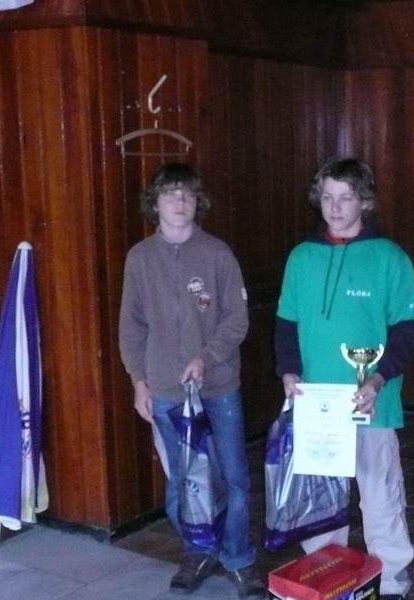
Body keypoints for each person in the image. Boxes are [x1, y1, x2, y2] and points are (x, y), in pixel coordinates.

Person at [275, 157, 414, 600]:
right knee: (321, 502)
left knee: (381, 497)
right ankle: (326, 577)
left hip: (371, 402)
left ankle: (391, 581)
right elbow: (285, 323)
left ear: (364, 202)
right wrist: (288, 370)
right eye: (327, 197)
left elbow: (407, 330)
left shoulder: (391, 258)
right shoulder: (301, 257)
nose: (335, 208)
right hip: (317, 405)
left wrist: (378, 380)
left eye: (345, 198)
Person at [119, 163, 265, 599]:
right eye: (170, 194)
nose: (179, 201)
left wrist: (207, 357)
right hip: (165, 391)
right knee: (183, 481)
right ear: (155, 203)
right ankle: (198, 552)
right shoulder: (140, 258)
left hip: (218, 388)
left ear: (198, 201)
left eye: (187, 194)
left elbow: (237, 319)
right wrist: (139, 382)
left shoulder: (218, 254)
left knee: (233, 477)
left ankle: (238, 558)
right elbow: (131, 327)